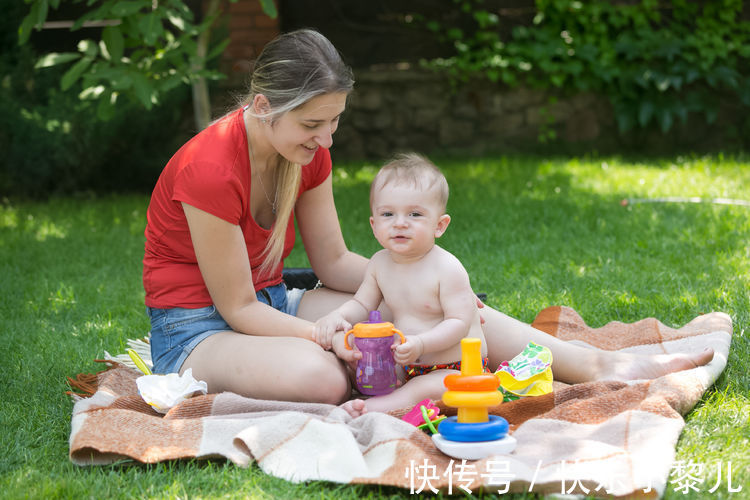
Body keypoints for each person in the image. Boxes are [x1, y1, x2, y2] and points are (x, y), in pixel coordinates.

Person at [142, 28, 714, 410]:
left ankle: (597, 363)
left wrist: (424, 284)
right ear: (264, 107)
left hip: (272, 304)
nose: (326, 139)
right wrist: (329, 336)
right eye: (313, 124)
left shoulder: (306, 155)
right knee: (320, 376)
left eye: (335, 122)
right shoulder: (210, 169)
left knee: (445, 311)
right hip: (197, 330)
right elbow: (236, 309)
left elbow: (336, 262)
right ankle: (357, 368)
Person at [314, 153, 488, 416]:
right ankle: (380, 392)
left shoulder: (447, 268)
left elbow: (459, 324)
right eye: (388, 214)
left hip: (455, 368)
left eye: (415, 214)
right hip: (406, 361)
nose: (400, 223)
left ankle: (372, 409)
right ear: (374, 225)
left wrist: (421, 344)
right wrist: (338, 316)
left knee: (422, 390)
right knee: (360, 365)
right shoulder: (379, 264)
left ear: (439, 226)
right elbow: (362, 303)